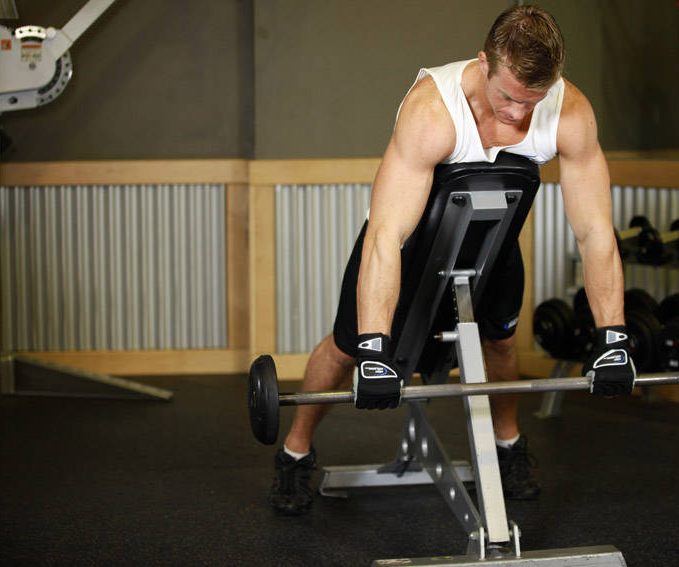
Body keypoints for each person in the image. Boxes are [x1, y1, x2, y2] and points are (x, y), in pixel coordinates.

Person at [269, 5, 636, 516]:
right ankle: (296, 451)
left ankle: (508, 446)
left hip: (493, 240)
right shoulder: (433, 110)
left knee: (502, 342)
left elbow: (595, 231)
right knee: (346, 346)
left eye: (533, 100)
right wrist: (377, 346)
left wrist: (612, 337)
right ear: (484, 63)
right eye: (508, 96)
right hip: (408, 242)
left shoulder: (569, 109)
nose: (517, 114)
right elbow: (386, 233)